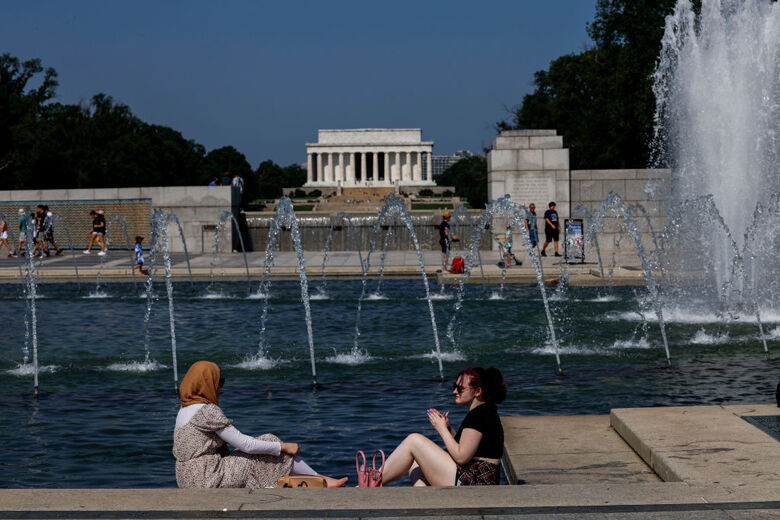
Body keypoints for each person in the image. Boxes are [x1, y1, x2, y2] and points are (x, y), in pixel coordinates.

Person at [173, 361, 347, 489]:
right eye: (219, 381)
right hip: (207, 478)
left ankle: (311, 481)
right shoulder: (206, 411)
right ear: (207, 383)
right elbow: (244, 444)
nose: (220, 387)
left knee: (262, 451)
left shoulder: (184, 409)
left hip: (187, 478)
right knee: (269, 442)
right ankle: (321, 480)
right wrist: (283, 446)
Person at [381, 366, 507, 486]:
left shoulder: (479, 415)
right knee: (416, 464)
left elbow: (461, 457)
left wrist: (441, 429)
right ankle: (423, 499)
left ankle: (373, 481)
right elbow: (465, 446)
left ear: (478, 391)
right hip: (475, 477)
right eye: (455, 387)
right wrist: (448, 428)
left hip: (474, 481)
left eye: (460, 388)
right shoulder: (483, 411)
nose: (454, 391)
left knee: (414, 440)